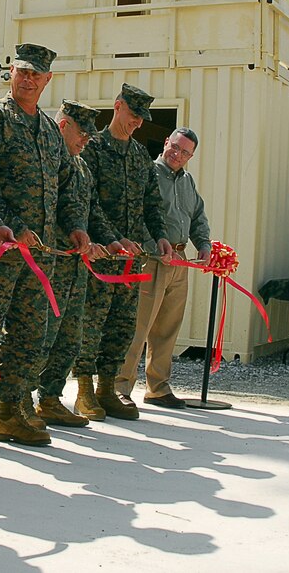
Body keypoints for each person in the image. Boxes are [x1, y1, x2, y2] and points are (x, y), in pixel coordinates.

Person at [0, 43, 91, 449]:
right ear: (11, 72)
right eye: (23, 72)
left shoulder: (50, 131)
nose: (28, 80)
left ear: (47, 80)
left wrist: (76, 228)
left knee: (30, 335)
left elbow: (67, 188)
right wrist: (6, 225)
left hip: (39, 260)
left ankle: (11, 411)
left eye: (37, 75)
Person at [73, 84, 173, 421]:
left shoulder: (139, 155)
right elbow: (89, 203)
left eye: (142, 118)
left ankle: (107, 388)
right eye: (133, 115)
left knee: (122, 326)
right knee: (92, 323)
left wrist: (160, 236)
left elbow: (151, 202)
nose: (137, 123)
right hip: (101, 256)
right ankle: (84, 390)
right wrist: (114, 239)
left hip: (131, 259)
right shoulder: (94, 149)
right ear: (117, 107)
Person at [33, 101, 122, 427]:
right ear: (63, 126)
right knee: (40, 337)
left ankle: (50, 397)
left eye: (89, 135)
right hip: (52, 264)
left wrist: (110, 240)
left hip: (76, 267)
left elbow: (91, 211)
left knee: (70, 337)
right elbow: (50, 212)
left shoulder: (80, 166)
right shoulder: (49, 163)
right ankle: (19, 403)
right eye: (82, 133)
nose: (86, 140)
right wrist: (82, 241)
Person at [116, 128, 211, 409]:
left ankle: (158, 387)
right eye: (175, 147)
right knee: (138, 326)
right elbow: (138, 215)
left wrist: (203, 243)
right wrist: (153, 245)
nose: (177, 155)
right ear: (166, 142)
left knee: (167, 328)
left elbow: (197, 216)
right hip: (152, 260)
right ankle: (120, 386)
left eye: (185, 152)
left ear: (191, 156)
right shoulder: (148, 174)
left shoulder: (187, 181)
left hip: (179, 263)